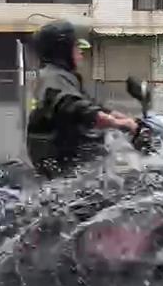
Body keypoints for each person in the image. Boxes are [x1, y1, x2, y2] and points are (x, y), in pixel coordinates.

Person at [26, 19, 138, 179]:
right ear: (62, 50)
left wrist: (127, 119)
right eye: (75, 46)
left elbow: (92, 105)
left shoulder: (61, 76)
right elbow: (75, 106)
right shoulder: (53, 78)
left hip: (73, 165)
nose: (80, 51)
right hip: (65, 169)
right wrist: (118, 124)